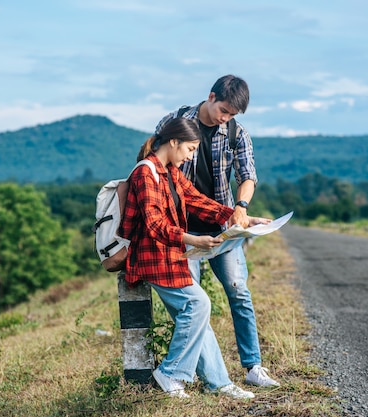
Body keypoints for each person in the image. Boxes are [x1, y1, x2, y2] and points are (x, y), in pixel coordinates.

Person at [119, 117, 266, 399]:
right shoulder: (145, 174)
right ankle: (171, 372)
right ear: (173, 142)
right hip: (152, 257)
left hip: (169, 254)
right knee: (198, 305)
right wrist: (192, 239)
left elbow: (198, 201)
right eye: (189, 149)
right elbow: (153, 224)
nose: (190, 155)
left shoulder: (171, 172)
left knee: (197, 313)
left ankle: (218, 382)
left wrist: (243, 218)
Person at [154, 74, 280, 388]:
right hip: (182, 233)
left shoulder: (237, 133)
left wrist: (241, 207)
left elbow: (248, 174)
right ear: (211, 97)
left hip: (223, 229)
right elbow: (154, 164)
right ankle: (208, 374)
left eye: (232, 115)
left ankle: (253, 367)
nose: (225, 118)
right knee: (193, 303)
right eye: (223, 110)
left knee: (239, 291)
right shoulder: (175, 122)